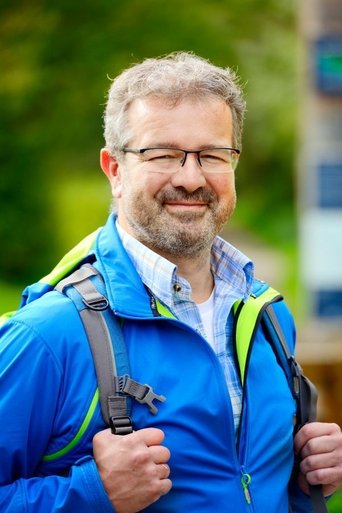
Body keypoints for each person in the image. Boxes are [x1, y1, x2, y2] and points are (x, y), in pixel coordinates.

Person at [0, 51, 341, 513]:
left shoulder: (269, 317)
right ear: (115, 170)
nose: (191, 177)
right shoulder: (46, 336)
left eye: (213, 155)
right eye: (163, 154)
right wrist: (91, 494)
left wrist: (299, 477)